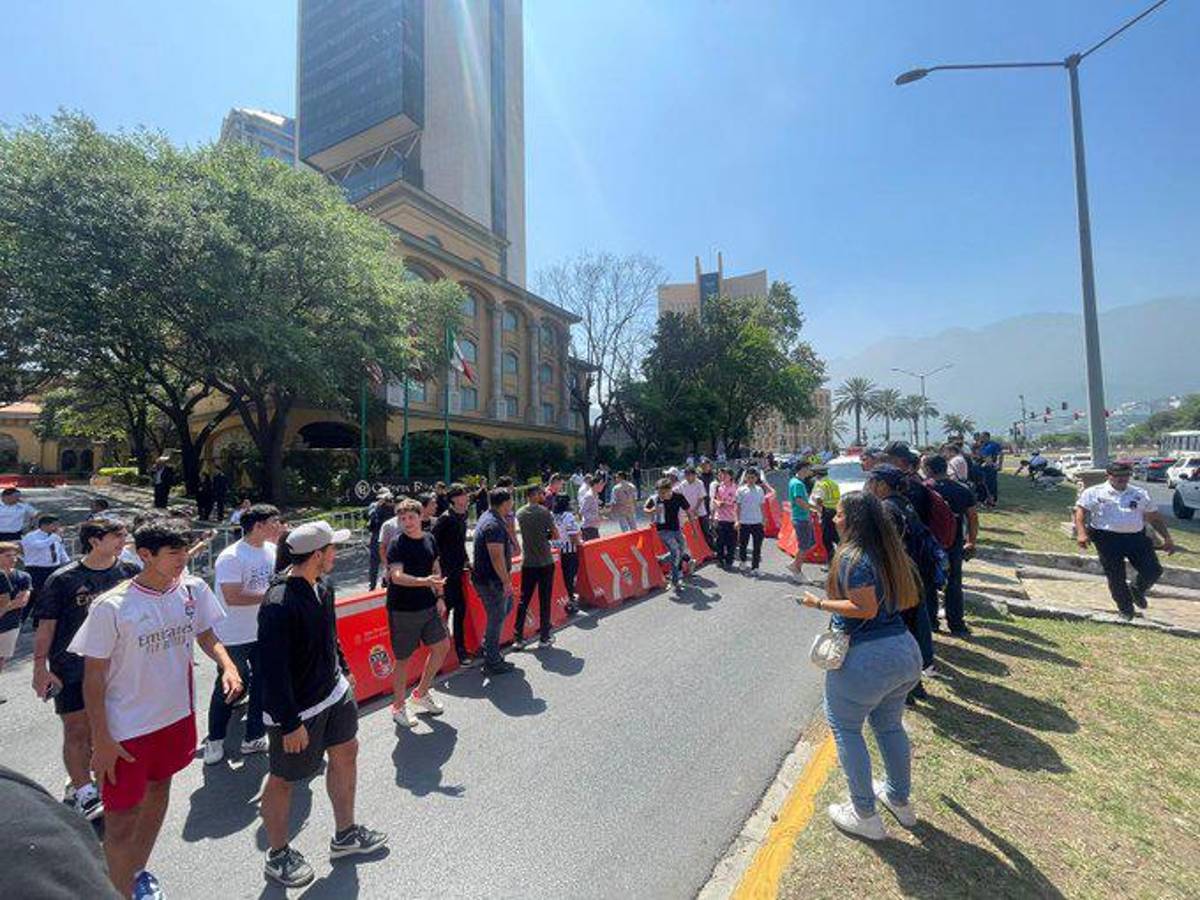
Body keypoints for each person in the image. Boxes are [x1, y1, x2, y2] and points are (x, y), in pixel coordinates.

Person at [70, 521, 243, 899]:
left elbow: (206, 633)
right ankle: (114, 890)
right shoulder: (111, 607)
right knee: (120, 821)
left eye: (184, 550)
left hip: (176, 718)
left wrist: (227, 665)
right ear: (145, 555)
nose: (183, 559)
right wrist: (102, 739)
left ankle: (135, 873)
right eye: (173, 552)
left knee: (159, 791)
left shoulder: (193, 589)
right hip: (127, 731)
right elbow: (93, 678)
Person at [258, 521, 388, 888]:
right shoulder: (278, 603)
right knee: (283, 779)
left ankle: (345, 835)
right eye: (333, 548)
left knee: (347, 751)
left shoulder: (324, 585)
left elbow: (329, 634)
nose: (336, 554)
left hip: (333, 693)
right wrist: (289, 723)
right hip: (296, 711)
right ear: (317, 555)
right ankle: (278, 854)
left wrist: (343, 668)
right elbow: (272, 669)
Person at [797, 491, 923, 841]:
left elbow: (864, 608)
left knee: (846, 729)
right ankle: (898, 798)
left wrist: (818, 603)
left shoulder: (852, 557)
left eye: (838, 514)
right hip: (904, 651)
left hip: (867, 659)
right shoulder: (888, 552)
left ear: (852, 521)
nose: (833, 519)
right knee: (889, 726)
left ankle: (864, 814)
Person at [32, 519, 140, 821]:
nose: (123, 541)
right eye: (116, 536)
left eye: (124, 535)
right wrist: (40, 667)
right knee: (77, 729)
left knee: (110, 727)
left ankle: (100, 778)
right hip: (72, 667)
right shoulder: (63, 579)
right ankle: (84, 792)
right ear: (94, 541)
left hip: (118, 666)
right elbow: (46, 626)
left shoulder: (129, 572)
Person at [202, 504, 281, 765]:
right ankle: (215, 738)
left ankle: (254, 735)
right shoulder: (232, 556)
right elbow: (233, 596)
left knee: (263, 682)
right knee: (231, 684)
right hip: (233, 634)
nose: (279, 526)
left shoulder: (271, 550)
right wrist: (272, 595)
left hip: (263, 630)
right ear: (258, 525)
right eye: (274, 521)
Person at [864, 466, 936, 703]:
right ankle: (915, 685)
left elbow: (885, 548)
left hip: (897, 578)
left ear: (881, 484)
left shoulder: (886, 508)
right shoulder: (905, 503)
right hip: (913, 574)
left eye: (871, 482)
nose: (869, 486)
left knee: (897, 633)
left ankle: (904, 690)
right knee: (913, 631)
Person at [1074, 461, 1175, 619]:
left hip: (1135, 537)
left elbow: (1154, 517)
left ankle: (1137, 589)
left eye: (1126, 475)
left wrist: (1167, 538)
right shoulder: (1094, 492)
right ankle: (1126, 609)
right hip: (1106, 538)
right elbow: (1080, 513)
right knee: (1116, 576)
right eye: (1117, 476)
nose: (1122, 479)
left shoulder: (1140, 493)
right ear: (1108, 475)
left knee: (1153, 570)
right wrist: (1081, 533)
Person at [384, 498, 449, 728]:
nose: (407, 522)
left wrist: (440, 596)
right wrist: (426, 582)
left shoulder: (430, 538)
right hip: (403, 609)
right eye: (402, 519)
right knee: (403, 660)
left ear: (421, 517)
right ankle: (398, 707)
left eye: (411, 517)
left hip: (429, 605)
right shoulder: (397, 544)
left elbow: (436, 567)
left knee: (442, 647)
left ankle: (421, 693)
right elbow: (396, 577)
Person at [923, 454, 978, 636]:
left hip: (930, 544)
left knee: (928, 582)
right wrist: (971, 541)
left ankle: (931, 622)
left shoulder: (925, 489)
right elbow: (972, 517)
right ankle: (956, 624)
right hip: (954, 542)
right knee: (954, 583)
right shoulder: (962, 489)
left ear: (928, 469)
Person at [471, 489, 518, 675]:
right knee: (497, 617)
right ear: (505, 503)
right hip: (492, 580)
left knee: (505, 608)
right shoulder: (494, 524)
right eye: (511, 500)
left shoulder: (488, 517)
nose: (512, 504)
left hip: (487, 578)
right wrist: (506, 581)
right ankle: (492, 660)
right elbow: (496, 556)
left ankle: (488, 647)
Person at [515, 484, 560, 648]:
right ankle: (544, 637)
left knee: (524, 600)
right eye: (541, 493)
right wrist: (545, 535)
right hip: (545, 561)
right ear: (534, 495)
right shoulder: (544, 512)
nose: (543, 496)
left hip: (528, 562)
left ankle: (518, 638)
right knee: (544, 599)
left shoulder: (520, 513)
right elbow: (556, 535)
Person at [432, 484, 473, 665]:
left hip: (458, 571)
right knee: (446, 611)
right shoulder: (445, 518)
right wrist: (436, 569)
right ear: (454, 499)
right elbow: (432, 543)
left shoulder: (463, 515)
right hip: (445, 573)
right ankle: (444, 652)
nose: (467, 497)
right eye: (463, 495)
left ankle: (459, 649)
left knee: (460, 609)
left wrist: (467, 561)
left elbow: (460, 543)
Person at [645, 477, 693, 589]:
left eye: (663, 493)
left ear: (670, 490)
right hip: (663, 530)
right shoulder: (655, 499)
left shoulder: (678, 497)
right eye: (659, 492)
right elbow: (645, 509)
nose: (661, 495)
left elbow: (688, 510)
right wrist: (653, 510)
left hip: (676, 529)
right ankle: (676, 580)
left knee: (681, 550)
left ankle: (661, 560)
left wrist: (693, 528)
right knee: (676, 552)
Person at [0, 542, 32, 702]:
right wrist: (10, 604)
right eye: (8, 556)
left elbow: (23, 601)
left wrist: (5, 607)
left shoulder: (23, 577)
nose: (13, 559)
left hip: (10, 624)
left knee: (1, 658)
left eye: (15, 556)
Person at [21, 513, 69, 617]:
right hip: (36, 570)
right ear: (44, 525)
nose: (57, 528)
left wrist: (66, 562)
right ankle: (20, 619)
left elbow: (60, 550)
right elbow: (39, 546)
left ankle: (41, 619)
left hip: (53, 568)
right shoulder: (31, 536)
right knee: (32, 595)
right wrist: (55, 537)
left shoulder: (54, 537)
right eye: (54, 525)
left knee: (51, 595)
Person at [551, 493, 582, 614]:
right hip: (569, 550)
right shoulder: (568, 516)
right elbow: (573, 534)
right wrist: (580, 543)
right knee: (569, 578)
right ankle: (570, 602)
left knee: (561, 578)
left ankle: (563, 601)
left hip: (556, 551)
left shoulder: (551, 515)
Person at [787, 463, 817, 582]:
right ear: (803, 469)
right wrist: (814, 508)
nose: (810, 471)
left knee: (810, 543)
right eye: (808, 468)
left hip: (802, 517)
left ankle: (795, 563)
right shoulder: (798, 484)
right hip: (801, 518)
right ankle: (797, 570)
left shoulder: (796, 482)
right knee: (804, 546)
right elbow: (799, 501)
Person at [735, 468, 768, 574]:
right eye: (748, 477)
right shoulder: (740, 490)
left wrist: (764, 518)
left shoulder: (760, 490)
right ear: (745, 478)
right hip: (744, 522)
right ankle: (743, 562)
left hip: (757, 522)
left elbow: (762, 505)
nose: (750, 479)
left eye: (753, 477)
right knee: (743, 545)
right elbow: (737, 506)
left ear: (756, 478)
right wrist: (737, 520)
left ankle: (755, 567)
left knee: (757, 546)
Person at [709, 467, 739, 569]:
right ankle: (720, 559)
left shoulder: (735, 488)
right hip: (720, 518)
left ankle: (729, 559)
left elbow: (735, 501)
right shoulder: (718, 487)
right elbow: (714, 499)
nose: (723, 476)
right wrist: (717, 503)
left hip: (732, 518)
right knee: (720, 540)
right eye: (722, 474)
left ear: (731, 476)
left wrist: (725, 503)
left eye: (725, 474)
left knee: (731, 541)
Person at [811, 465, 841, 561]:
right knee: (835, 536)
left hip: (827, 512)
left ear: (817, 475)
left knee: (826, 539)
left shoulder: (820, 484)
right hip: (836, 511)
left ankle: (832, 562)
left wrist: (818, 511)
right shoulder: (833, 483)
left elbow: (819, 499)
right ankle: (841, 557)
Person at [366, 492, 394, 591]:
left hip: (388, 536)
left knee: (389, 561)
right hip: (376, 535)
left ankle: (386, 582)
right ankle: (372, 585)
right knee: (374, 562)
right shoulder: (374, 506)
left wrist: (391, 505)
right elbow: (369, 517)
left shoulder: (392, 506)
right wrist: (378, 506)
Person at [677, 466, 710, 548]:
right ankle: (697, 549)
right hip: (688, 513)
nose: (687, 477)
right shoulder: (682, 484)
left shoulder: (699, 483)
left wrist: (695, 509)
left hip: (700, 512)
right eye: (686, 475)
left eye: (689, 475)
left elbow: (701, 497)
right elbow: (676, 493)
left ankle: (710, 548)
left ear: (694, 475)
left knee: (705, 531)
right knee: (692, 532)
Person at [978, 432, 1003, 507]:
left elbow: (1001, 454)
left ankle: (992, 501)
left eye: (983, 437)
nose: (981, 439)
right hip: (983, 467)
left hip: (991, 467)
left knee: (991, 484)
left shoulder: (993, 445)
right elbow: (982, 456)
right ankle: (986, 500)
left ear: (987, 437)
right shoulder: (983, 446)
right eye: (981, 437)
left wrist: (999, 465)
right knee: (985, 484)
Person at [577, 474, 604, 542]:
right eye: (601, 484)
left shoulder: (595, 495)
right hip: (588, 528)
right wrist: (596, 518)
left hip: (593, 526)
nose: (602, 486)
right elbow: (582, 511)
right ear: (595, 485)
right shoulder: (589, 496)